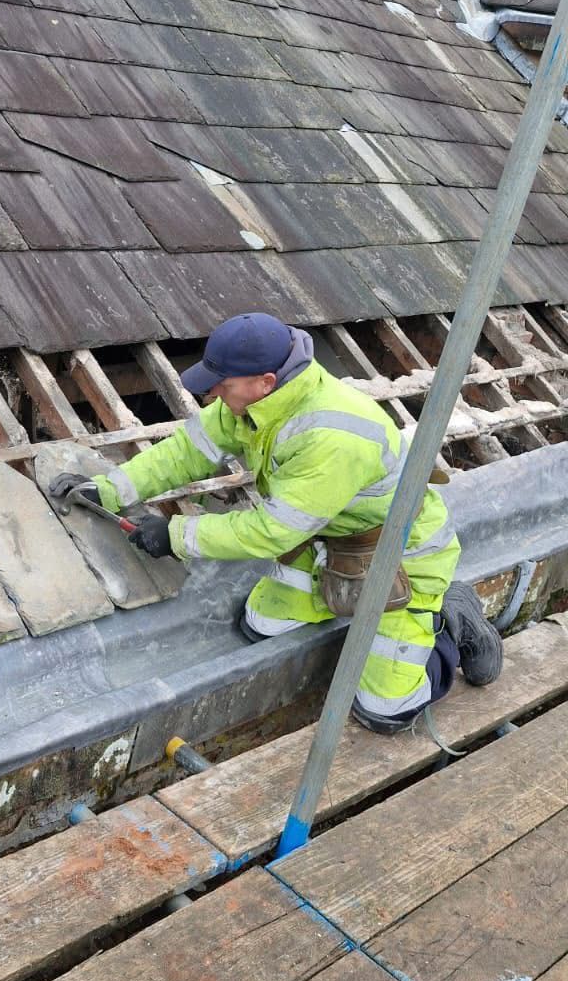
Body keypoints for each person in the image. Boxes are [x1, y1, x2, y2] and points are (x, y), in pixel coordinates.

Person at [50, 312, 502, 734]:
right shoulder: (253, 404)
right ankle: (339, 601)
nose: (212, 396)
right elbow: (185, 453)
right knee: (258, 626)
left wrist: (176, 536)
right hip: (326, 541)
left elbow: (273, 531)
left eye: (222, 385)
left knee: (383, 713)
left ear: (265, 382)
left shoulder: (333, 436)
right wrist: (109, 490)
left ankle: (451, 618)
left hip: (397, 555)